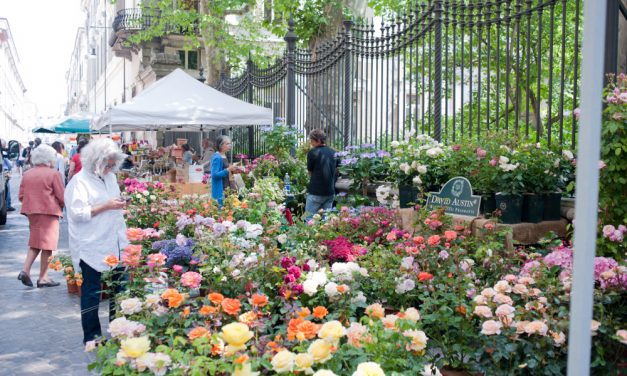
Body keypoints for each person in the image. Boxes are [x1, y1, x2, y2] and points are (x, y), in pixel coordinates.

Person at [64, 138, 129, 344]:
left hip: (115, 242)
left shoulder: (109, 178)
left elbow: (112, 202)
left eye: (113, 164)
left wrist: (119, 203)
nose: (110, 168)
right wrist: (107, 206)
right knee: (92, 294)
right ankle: (92, 337)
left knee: (119, 289)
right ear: (95, 161)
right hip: (91, 245)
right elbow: (77, 213)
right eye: (107, 164)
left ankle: (118, 330)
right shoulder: (79, 182)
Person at [17, 144, 65, 288]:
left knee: (36, 242)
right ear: (50, 158)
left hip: (31, 212)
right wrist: (61, 206)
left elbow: (21, 196)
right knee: (48, 245)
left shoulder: (27, 174)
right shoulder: (53, 174)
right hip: (48, 212)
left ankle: (25, 270)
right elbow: (62, 196)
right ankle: (43, 277)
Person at [305, 129, 337, 221]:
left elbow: (310, 172)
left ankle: (308, 235)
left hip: (315, 192)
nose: (311, 143)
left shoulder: (312, 152)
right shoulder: (333, 152)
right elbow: (336, 170)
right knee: (326, 222)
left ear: (318, 140)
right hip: (330, 192)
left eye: (311, 140)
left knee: (309, 219)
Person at [211, 135, 235, 207]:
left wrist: (233, 169)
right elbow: (214, 175)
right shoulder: (217, 157)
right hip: (220, 187)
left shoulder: (223, 155)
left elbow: (225, 170)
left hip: (226, 186)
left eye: (230, 143)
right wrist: (228, 169)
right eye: (227, 144)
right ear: (221, 145)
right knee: (220, 209)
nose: (230, 145)